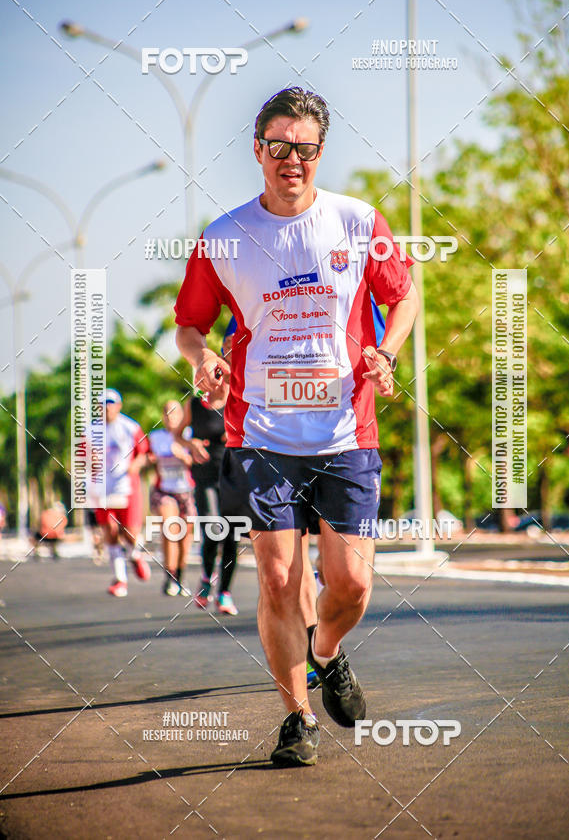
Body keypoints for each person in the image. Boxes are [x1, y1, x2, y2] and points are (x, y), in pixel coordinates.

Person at [174, 87, 418, 766]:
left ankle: (326, 651)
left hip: (345, 432)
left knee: (352, 585)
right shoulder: (225, 235)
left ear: (320, 151)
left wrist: (386, 352)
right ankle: (297, 718)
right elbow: (190, 325)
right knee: (280, 578)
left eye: (304, 147)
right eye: (279, 145)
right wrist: (203, 361)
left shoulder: (358, 221)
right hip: (260, 431)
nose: (292, 159)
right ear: (258, 149)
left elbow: (403, 297)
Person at [173, 324, 240, 615]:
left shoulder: (238, 400)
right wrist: (191, 444)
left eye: (223, 373)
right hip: (206, 475)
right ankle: (205, 580)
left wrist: (235, 433)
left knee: (232, 534)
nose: (219, 378)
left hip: (234, 473)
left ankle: (224, 592)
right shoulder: (196, 404)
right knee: (213, 528)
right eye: (216, 373)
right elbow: (177, 434)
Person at [94, 389, 151, 597]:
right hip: (103, 488)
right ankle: (120, 579)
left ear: (119, 406)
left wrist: (136, 464)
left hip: (127, 487)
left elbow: (145, 454)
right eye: (103, 404)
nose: (107, 407)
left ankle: (135, 555)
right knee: (109, 530)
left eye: (111, 403)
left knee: (130, 533)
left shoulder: (130, 427)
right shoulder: (91, 431)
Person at [148, 400, 198, 596]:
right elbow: (146, 457)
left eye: (175, 413)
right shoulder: (155, 437)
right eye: (167, 413)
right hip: (164, 491)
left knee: (185, 537)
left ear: (182, 416)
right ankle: (170, 576)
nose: (171, 417)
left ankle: (181, 576)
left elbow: (201, 462)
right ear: (163, 416)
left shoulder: (190, 435)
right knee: (170, 529)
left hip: (187, 491)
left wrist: (185, 457)